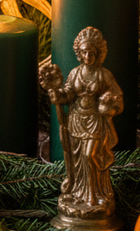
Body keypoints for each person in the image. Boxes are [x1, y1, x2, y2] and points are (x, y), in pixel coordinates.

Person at [43, 27, 123, 219]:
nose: (88, 56)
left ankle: (96, 195)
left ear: (98, 54)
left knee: (90, 156)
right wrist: (57, 93)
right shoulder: (75, 73)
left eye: (92, 52)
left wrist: (109, 101)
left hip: (95, 121)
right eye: (84, 52)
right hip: (77, 120)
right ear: (79, 53)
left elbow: (117, 96)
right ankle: (79, 194)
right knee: (77, 159)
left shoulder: (104, 75)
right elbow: (68, 93)